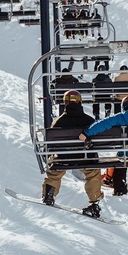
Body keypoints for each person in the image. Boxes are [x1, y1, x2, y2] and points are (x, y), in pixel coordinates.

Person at [41, 90, 104, 218]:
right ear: (80, 102)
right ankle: (94, 201)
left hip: (63, 157)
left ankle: (49, 194)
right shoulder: (89, 120)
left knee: (54, 172)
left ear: (65, 102)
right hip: (85, 158)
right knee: (93, 174)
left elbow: (52, 143)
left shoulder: (58, 122)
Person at [79, 96, 128, 197]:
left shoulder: (120, 117)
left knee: (119, 159)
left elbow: (103, 123)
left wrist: (87, 133)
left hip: (126, 154)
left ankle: (119, 187)